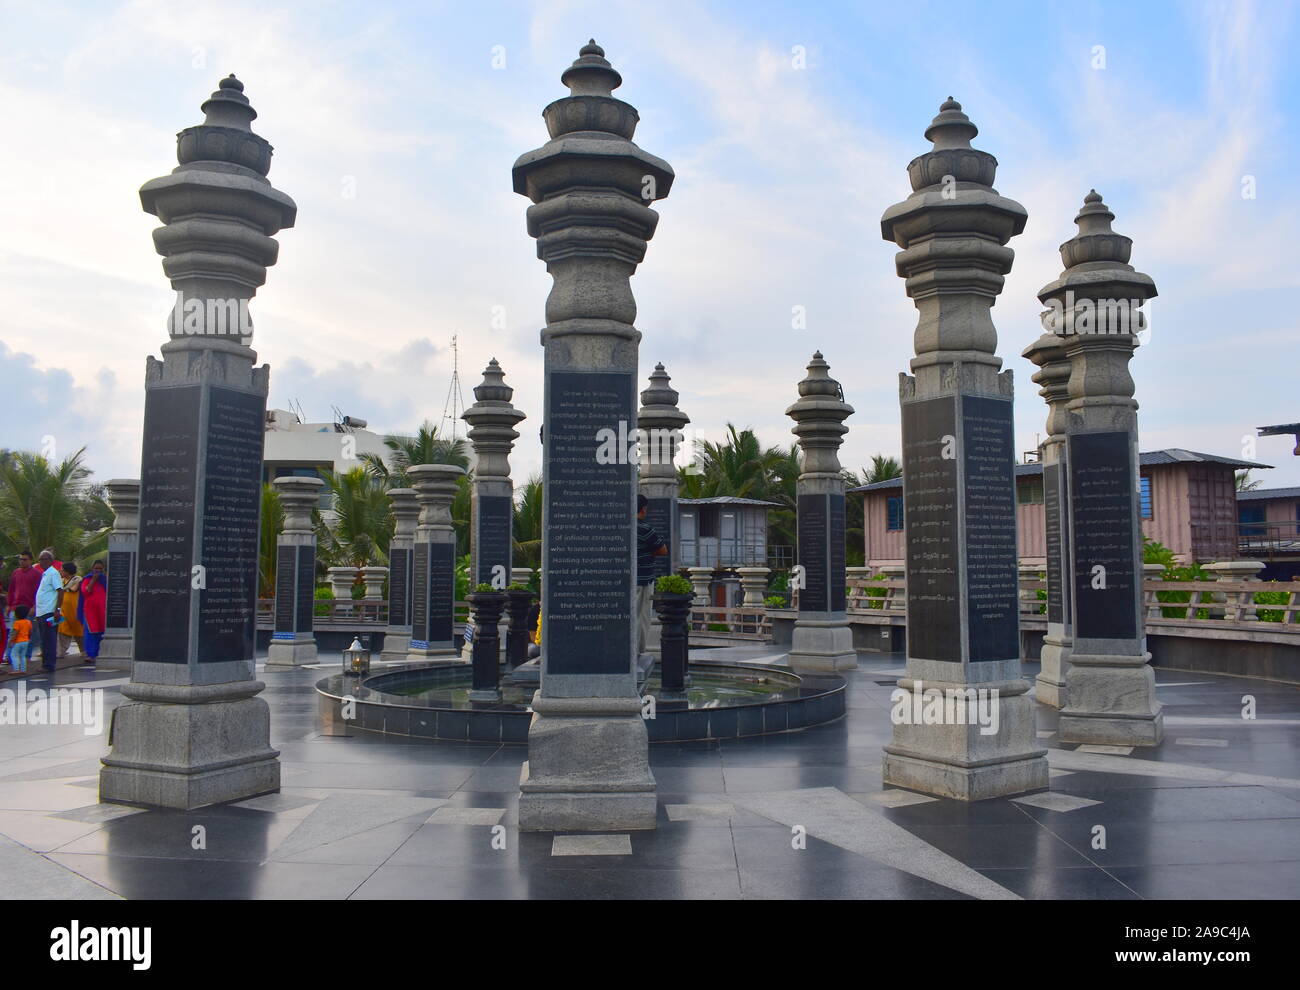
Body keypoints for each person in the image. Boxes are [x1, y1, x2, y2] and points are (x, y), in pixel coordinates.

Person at [636, 493, 668, 657]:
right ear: (643, 509)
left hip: (625, 579)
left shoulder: (621, 526)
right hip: (642, 579)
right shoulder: (644, 528)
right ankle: (638, 651)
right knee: (642, 616)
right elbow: (663, 550)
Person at [5, 550, 41, 665]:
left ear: (30, 560)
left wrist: (35, 607)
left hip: (29, 608)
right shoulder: (16, 572)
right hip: (15, 607)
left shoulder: (36, 574)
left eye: (24, 559)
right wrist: (9, 605)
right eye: (20, 559)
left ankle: (26, 656)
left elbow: (39, 592)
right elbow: (11, 590)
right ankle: (9, 656)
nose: (22, 561)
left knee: (28, 634)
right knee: (13, 632)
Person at [33, 550, 64, 672]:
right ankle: (45, 664)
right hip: (42, 612)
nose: (42, 562)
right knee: (44, 640)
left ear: (51, 561)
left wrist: (57, 610)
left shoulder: (53, 573)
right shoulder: (45, 574)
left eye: (44, 559)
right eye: (40, 559)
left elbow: (60, 591)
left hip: (50, 612)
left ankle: (49, 665)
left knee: (49, 640)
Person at [79, 560, 107, 667]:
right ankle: (90, 655)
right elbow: (86, 591)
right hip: (90, 611)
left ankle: (98, 654)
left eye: (100, 569)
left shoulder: (105, 580)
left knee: (100, 632)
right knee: (90, 632)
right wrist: (93, 580)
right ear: (92, 569)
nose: (98, 571)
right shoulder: (87, 579)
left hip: (102, 610)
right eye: (96, 568)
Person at [58, 562, 85, 659]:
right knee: (62, 630)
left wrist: (62, 589)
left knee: (78, 631)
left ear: (67, 571)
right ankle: (60, 652)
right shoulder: (61, 580)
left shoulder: (77, 579)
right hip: (64, 610)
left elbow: (73, 589)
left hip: (74, 610)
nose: (60, 571)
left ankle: (83, 651)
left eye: (62, 570)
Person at [9, 606, 32, 673]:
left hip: (18, 642)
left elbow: (15, 633)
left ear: (16, 614)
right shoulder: (28, 622)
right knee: (23, 656)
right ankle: (23, 670)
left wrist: (11, 641)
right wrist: (29, 638)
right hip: (26, 641)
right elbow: (30, 632)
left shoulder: (17, 623)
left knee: (14, 655)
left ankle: (16, 669)